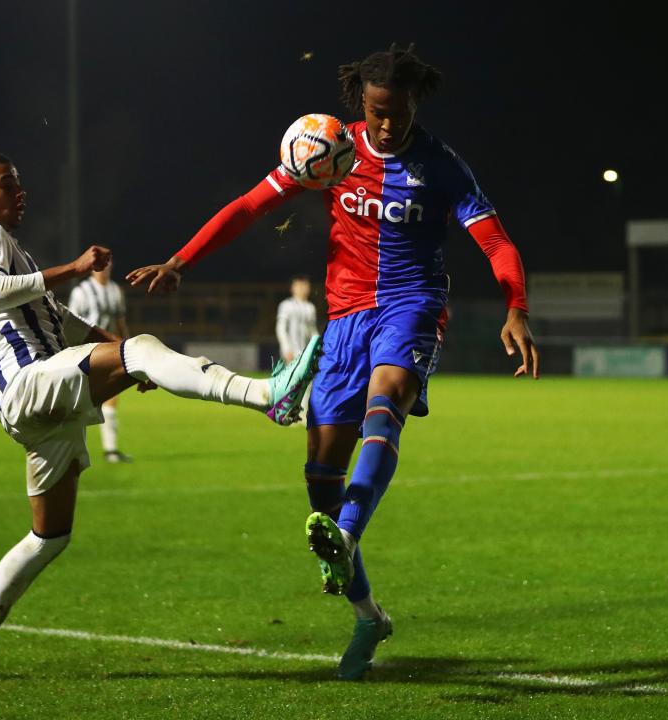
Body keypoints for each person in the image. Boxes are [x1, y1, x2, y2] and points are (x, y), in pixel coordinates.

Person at [128, 44, 539, 680]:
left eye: (398, 112)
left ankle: (347, 533)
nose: (387, 124)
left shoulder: (441, 166)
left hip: (412, 304)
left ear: (412, 105)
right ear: (360, 103)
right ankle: (369, 615)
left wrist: (517, 306)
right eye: (377, 111)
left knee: (390, 396)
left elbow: (495, 241)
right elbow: (250, 206)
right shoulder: (328, 149)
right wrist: (181, 260)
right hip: (344, 322)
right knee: (320, 479)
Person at [0, 151, 322, 679]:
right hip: (29, 384)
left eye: (20, 182)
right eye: (7, 184)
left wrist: (115, 350)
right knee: (140, 349)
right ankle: (267, 396)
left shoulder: (12, 249)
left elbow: (59, 319)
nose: (20, 191)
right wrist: (75, 273)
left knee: (49, 536)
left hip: (32, 404)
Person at [69, 259, 133, 462]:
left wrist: (129, 347)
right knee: (78, 402)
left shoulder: (115, 291)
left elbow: (120, 322)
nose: (106, 269)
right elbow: (70, 322)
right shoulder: (81, 291)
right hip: (83, 351)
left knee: (111, 397)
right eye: (102, 265)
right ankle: (72, 450)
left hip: (109, 351)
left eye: (109, 265)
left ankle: (111, 450)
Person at [276, 275, 318, 363]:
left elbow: (312, 330)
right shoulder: (286, 305)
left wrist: (316, 346)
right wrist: (286, 349)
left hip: (306, 353)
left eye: (305, 285)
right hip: (290, 354)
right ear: (292, 288)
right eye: (299, 285)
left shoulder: (311, 308)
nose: (302, 288)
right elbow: (281, 329)